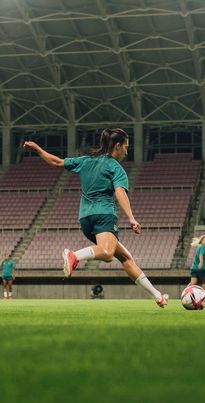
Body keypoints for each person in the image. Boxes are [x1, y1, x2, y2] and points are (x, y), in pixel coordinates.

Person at [24, 128, 169, 308]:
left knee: (126, 258)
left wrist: (38, 150)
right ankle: (73, 255)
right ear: (118, 146)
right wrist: (131, 218)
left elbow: (57, 162)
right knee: (107, 254)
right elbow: (119, 191)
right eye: (126, 147)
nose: (127, 151)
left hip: (85, 219)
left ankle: (157, 296)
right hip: (104, 215)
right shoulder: (116, 168)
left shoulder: (86, 161)